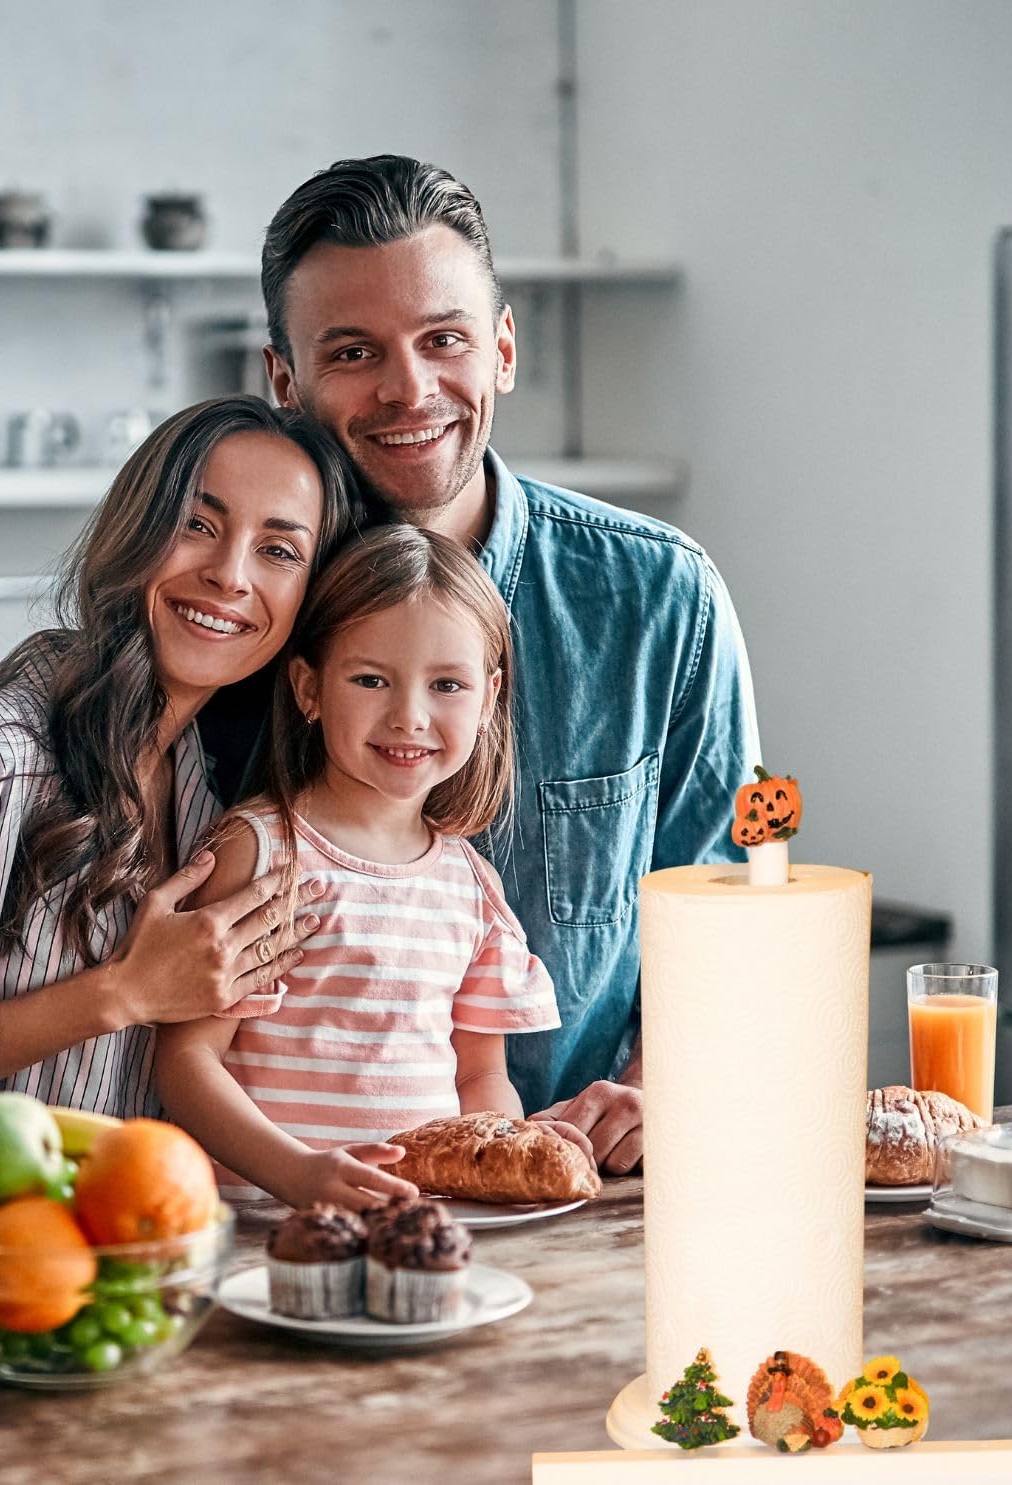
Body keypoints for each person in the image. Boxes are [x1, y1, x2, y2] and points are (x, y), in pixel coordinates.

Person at [256, 155, 759, 1173]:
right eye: (353, 351)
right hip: (283, 1218)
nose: (409, 389)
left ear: (503, 349)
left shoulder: (667, 596)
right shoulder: (240, 614)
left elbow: (734, 908)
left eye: (444, 340)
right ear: (282, 383)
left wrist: (661, 1094)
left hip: (594, 1203)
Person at [0, 396, 359, 1220]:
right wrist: (121, 992)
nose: (231, 574)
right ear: (136, 529)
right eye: (198, 525)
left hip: (117, 1274)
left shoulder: (203, 776)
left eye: (278, 549)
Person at [156, 524, 582, 1211]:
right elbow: (185, 1064)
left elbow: (481, 1077)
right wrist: (298, 1173)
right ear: (308, 688)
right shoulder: (262, 854)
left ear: (487, 697)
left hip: (419, 1226)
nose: (408, 716)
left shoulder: (470, 887)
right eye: (369, 679)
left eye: (446, 684)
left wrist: (509, 1144)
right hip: (268, 1227)